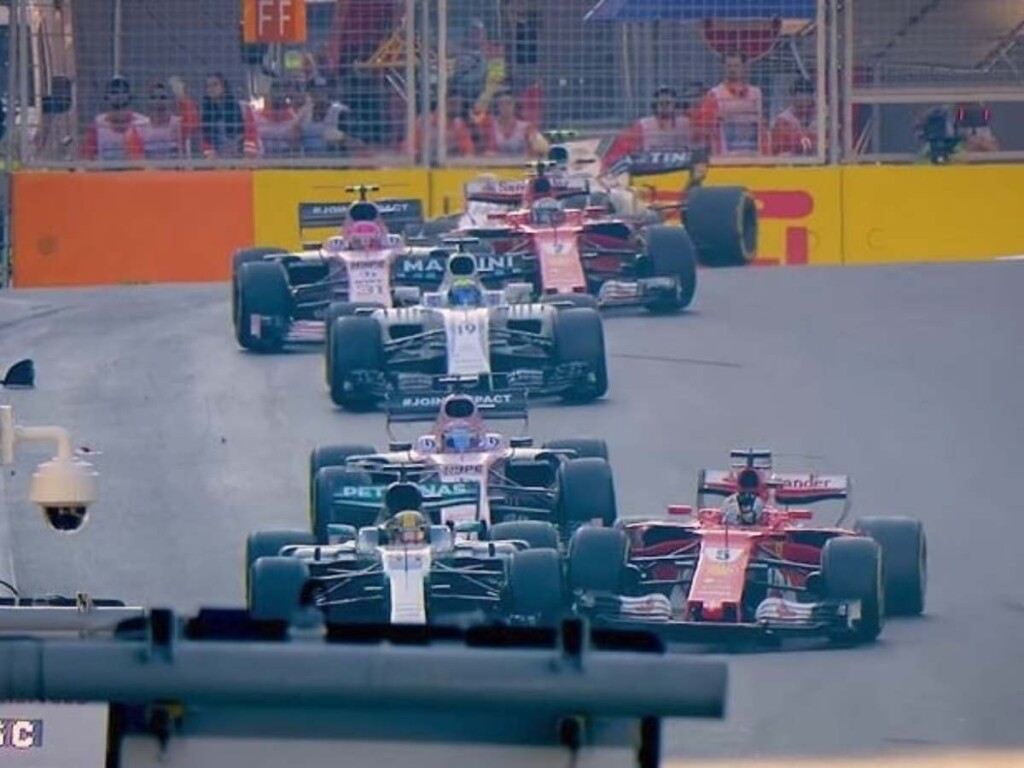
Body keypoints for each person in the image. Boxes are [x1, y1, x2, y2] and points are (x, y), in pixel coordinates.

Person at [602, 85, 694, 172]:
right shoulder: (642, 126)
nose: (665, 106)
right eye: (661, 103)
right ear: (654, 106)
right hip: (651, 175)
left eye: (668, 103)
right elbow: (620, 151)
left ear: (675, 105)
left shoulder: (687, 124)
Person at [692, 53, 767, 157]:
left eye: (736, 66)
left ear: (743, 67)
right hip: (724, 160)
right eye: (729, 66)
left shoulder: (756, 93)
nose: (732, 69)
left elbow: (762, 128)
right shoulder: (715, 94)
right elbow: (702, 128)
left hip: (753, 158)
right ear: (723, 68)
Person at [81, 75, 149, 160]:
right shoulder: (98, 124)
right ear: (107, 96)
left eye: (123, 91)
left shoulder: (141, 123)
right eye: (114, 92)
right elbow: (86, 157)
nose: (119, 96)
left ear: (129, 95)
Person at [200, 73, 257, 158]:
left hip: (242, 158)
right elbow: (206, 139)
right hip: (219, 161)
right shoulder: (206, 113)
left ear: (224, 87)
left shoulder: (242, 107)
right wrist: (212, 158)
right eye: (208, 86)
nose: (211, 89)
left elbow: (251, 133)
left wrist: (247, 156)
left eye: (215, 84)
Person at [481, 88, 547, 158]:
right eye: (501, 104)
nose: (505, 107)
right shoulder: (490, 124)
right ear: (497, 106)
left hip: (522, 166)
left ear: (515, 105)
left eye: (508, 103)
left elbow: (544, 147)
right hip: (498, 167)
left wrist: (536, 141)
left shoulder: (526, 127)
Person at [770, 78, 817, 156]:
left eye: (808, 95)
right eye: (801, 94)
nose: (805, 99)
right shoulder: (783, 120)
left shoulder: (817, 117)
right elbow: (783, 148)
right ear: (793, 97)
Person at [138, 82, 185, 159]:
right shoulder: (139, 127)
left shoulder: (178, 124)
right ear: (148, 101)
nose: (158, 101)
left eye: (162, 98)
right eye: (154, 98)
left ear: (169, 101)